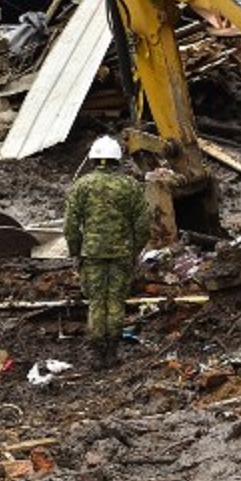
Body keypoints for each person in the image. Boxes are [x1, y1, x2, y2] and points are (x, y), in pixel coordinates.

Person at [64, 136, 150, 365]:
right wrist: (134, 250)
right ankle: (112, 353)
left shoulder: (81, 186)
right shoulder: (130, 186)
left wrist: (75, 252)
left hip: (91, 254)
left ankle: (96, 355)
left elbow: (71, 226)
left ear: (93, 158)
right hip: (121, 254)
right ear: (116, 159)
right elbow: (143, 225)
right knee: (115, 302)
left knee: (96, 302)